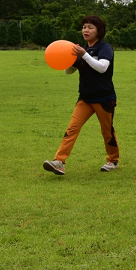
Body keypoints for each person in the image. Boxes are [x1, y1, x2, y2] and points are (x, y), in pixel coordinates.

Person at [43, 16, 120, 175]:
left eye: (90, 27)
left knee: (107, 131)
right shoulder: (80, 50)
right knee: (72, 129)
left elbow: (102, 68)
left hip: (104, 98)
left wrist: (84, 55)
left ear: (99, 30)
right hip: (85, 98)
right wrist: (68, 60)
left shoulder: (104, 48)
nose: (86, 30)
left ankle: (113, 160)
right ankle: (59, 161)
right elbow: (69, 71)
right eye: (84, 27)